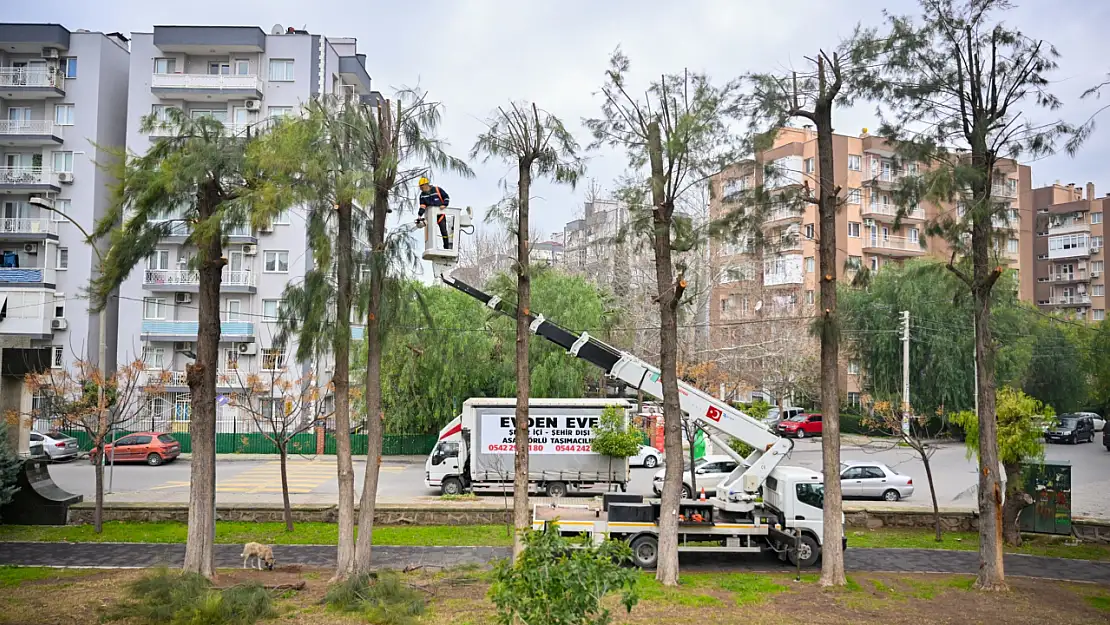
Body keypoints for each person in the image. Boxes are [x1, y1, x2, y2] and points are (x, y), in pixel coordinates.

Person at [417, 177, 452, 249]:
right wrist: (419, 215)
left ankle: (446, 247)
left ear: (426, 184)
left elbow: (446, 197)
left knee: (444, 231)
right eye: (420, 187)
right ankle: (432, 248)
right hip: (431, 216)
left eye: (422, 186)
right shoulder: (422, 195)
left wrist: (444, 204)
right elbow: (422, 206)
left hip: (440, 214)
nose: (421, 188)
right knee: (431, 232)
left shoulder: (437, 190)